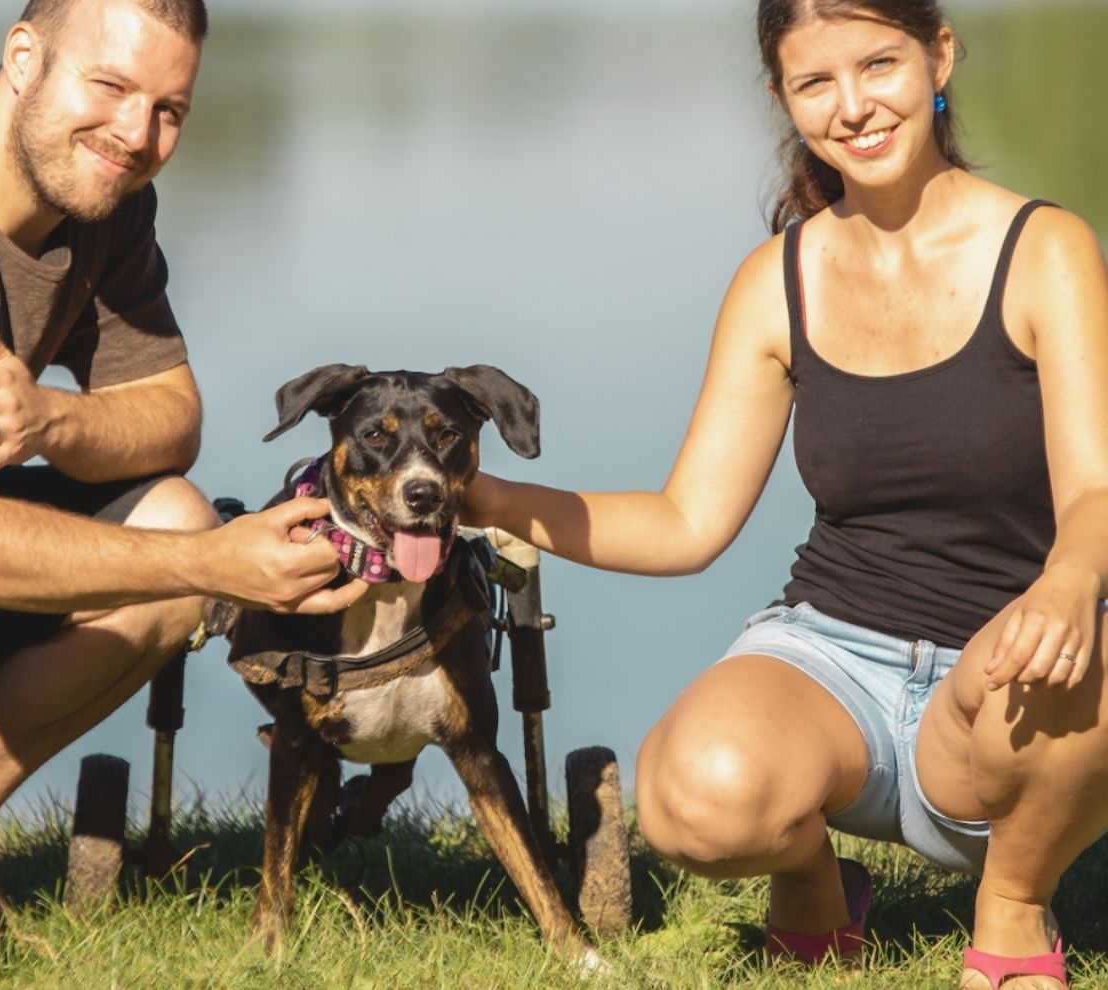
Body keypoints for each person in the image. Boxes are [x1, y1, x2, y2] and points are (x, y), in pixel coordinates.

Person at [465, 1, 1108, 987]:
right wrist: (489, 497)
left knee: (1074, 657)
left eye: (879, 64)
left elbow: (1096, 490)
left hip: (1003, 682)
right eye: (816, 82)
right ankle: (813, 879)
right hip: (830, 661)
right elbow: (687, 522)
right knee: (694, 800)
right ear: (784, 99)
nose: (854, 106)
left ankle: (1013, 903)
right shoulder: (779, 280)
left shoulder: (1044, 251)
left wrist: (1069, 580)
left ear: (940, 54)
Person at [0, 1, 366, 985]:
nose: (138, 136)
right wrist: (216, 564)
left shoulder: (98, 194)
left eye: (169, 110)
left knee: (171, 517)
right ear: (23, 58)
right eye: (110, 88)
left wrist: (49, 421)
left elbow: (171, 415)